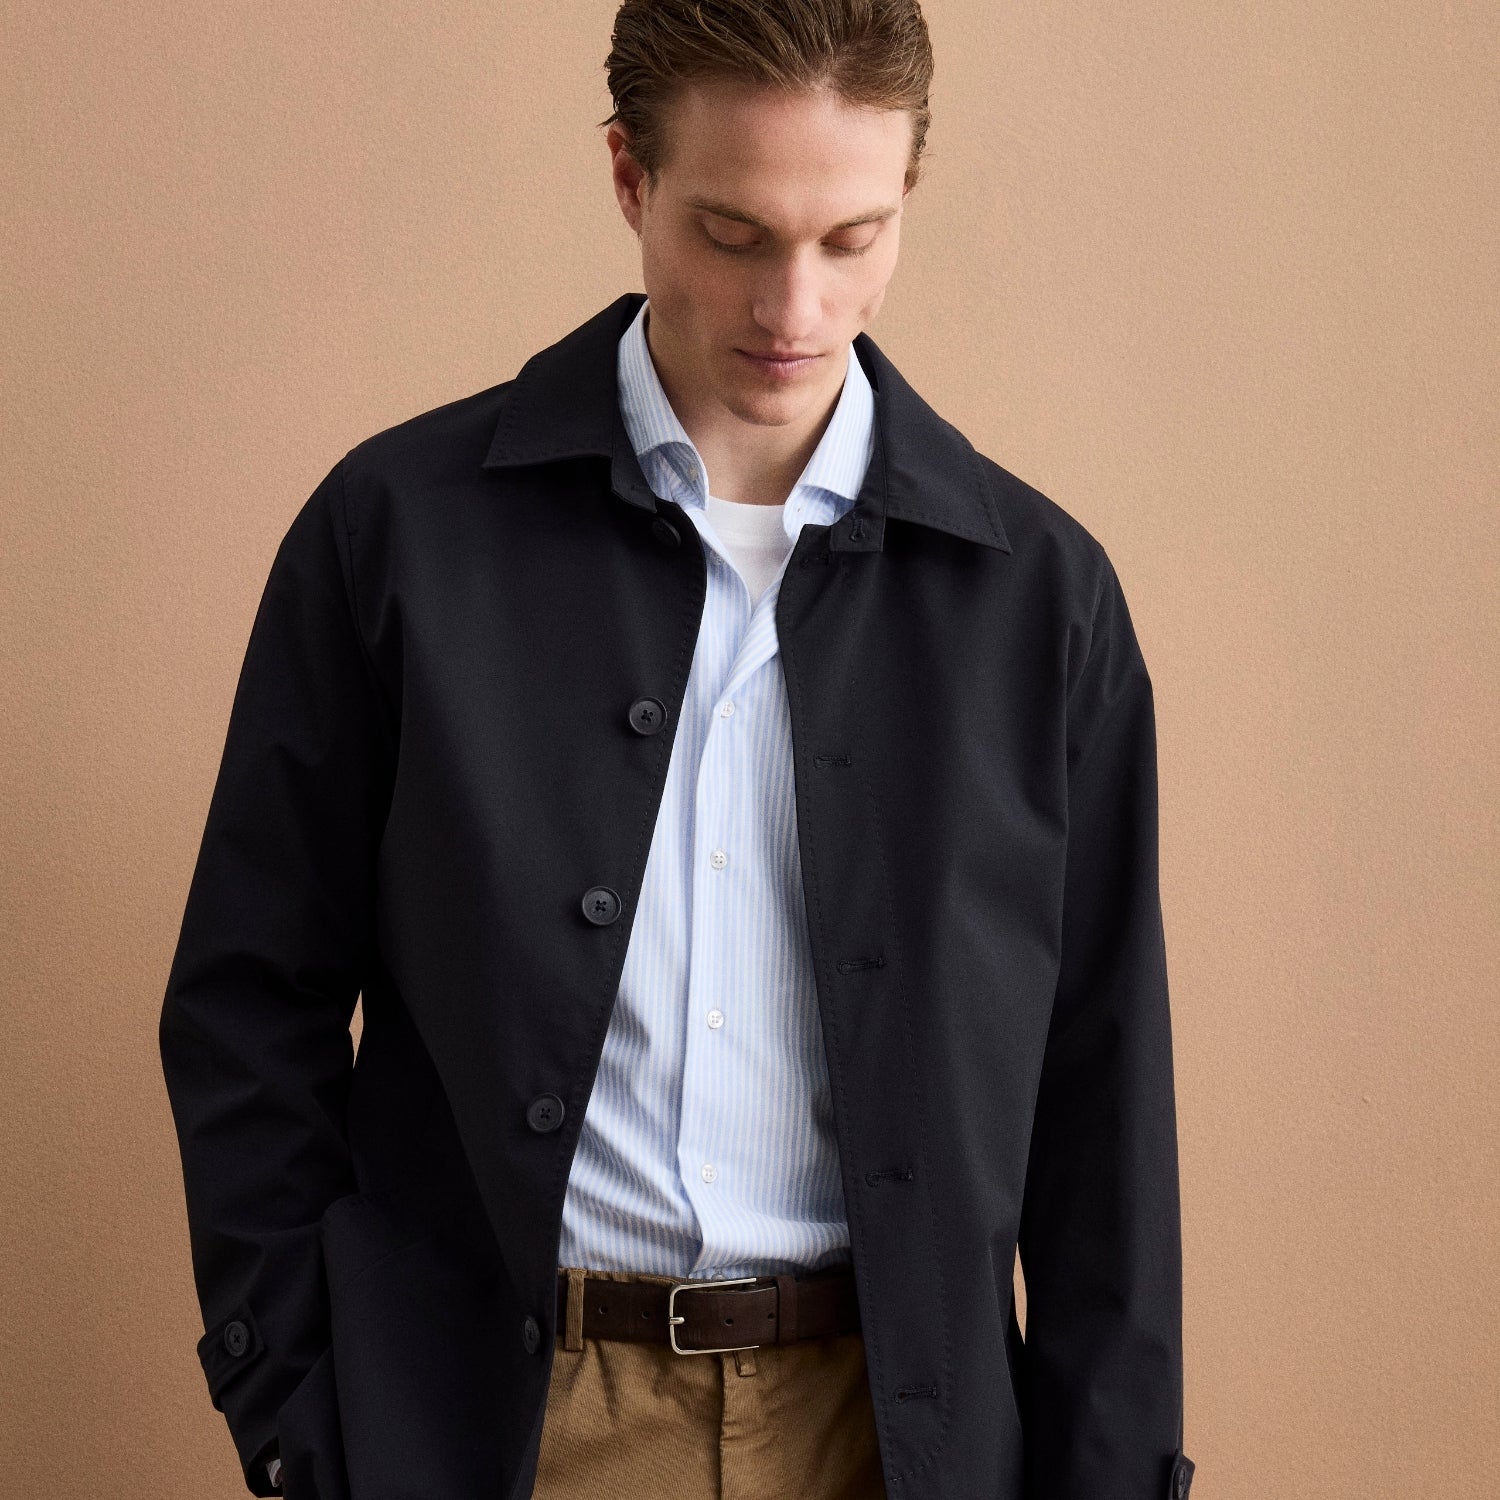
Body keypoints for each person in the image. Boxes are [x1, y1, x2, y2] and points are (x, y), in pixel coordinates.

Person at [159, 3, 1194, 1497]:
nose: (795, 305)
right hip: (507, 1432)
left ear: (907, 193)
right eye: (733, 232)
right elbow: (251, 998)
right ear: (629, 178)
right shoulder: (396, 538)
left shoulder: (1042, 600)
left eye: (853, 238)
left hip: (898, 1437)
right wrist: (301, 1413)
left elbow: (1106, 1102)